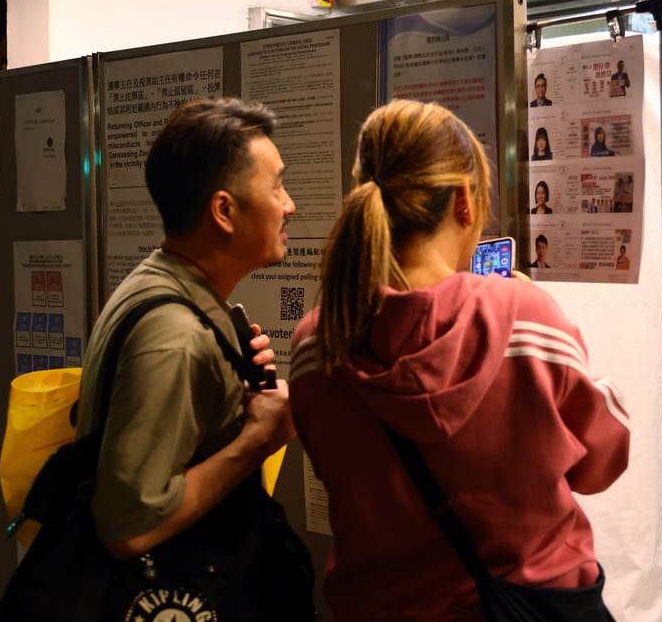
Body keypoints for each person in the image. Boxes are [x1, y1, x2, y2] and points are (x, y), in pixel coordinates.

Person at [289, 99, 629, 621]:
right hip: (531, 605)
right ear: (465, 202)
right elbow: (600, 460)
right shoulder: (526, 317)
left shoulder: (317, 343)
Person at [76, 98, 310, 617]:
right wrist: (258, 440)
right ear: (224, 210)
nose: (289, 203)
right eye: (276, 186)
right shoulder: (176, 336)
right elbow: (128, 526)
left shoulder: (160, 286)